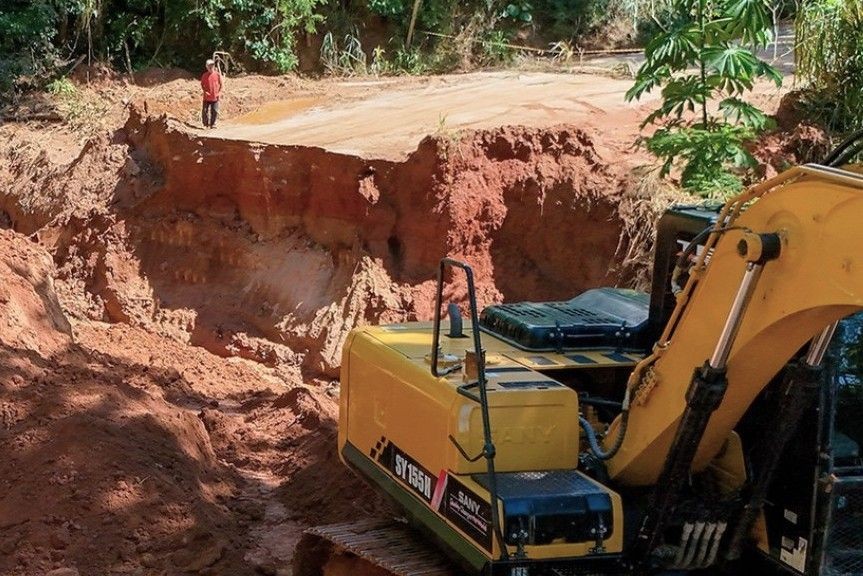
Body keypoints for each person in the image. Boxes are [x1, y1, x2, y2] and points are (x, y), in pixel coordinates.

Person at [200, 59, 222, 129]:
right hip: (206, 97)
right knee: (205, 111)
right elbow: (202, 85)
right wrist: (205, 91)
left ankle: (213, 124)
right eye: (209, 66)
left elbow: (221, 84)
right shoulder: (204, 75)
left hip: (215, 97)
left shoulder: (217, 75)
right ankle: (205, 124)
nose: (211, 68)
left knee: (214, 111)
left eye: (212, 66)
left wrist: (219, 93)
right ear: (206, 67)